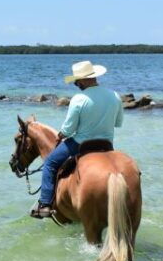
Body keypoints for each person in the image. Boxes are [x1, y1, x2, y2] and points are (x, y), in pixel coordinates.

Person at [30, 61, 123, 219]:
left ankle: (44, 204)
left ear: (84, 80)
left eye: (77, 81)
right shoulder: (114, 95)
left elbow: (68, 129)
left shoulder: (79, 98)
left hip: (80, 144)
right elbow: (118, 123)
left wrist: (61, 134)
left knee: (50, 163)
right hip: (107, 145)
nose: (76, 84)